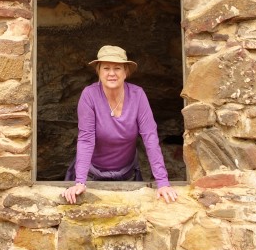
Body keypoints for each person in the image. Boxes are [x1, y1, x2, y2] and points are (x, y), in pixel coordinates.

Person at [62, 45, 179, 204]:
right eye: (106, 68)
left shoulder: (138, 95)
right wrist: (80, 182)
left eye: (117, 68)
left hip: (127, 173)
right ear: (99, 71)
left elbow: (150, 138)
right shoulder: (89, 95)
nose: (111, 73)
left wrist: (163, 183)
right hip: (92, 173)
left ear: (126, 72)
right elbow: (86, 139)